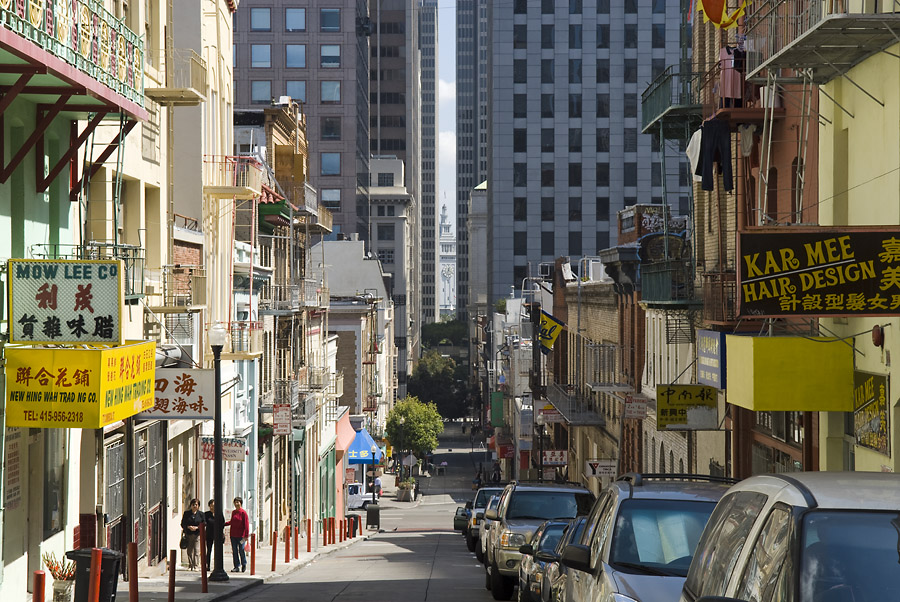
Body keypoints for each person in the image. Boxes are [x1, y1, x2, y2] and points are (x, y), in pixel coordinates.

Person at [225, 497, 250, 573]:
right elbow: (232, 522)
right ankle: (236, 566)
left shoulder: (243, 513)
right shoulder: (234, 512)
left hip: (241, 536)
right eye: (235, 502)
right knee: (235, 551)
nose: (236, 504)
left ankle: (244, 564)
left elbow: (246, 524)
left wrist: (246, 535)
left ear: (241, 503)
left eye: (238, 502)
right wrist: (224, 524)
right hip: (233, 535)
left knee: (241, 550)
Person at [180, 498, 203, 570]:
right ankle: (191, 565)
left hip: (197, 534)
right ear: (191, 505)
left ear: (198, 506)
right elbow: (183, 523)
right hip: (188, 534)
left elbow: (204, 523)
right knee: (189, 550)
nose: (195, 506)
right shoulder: (187, 514)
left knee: (197, 550)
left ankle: (196, 565)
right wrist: (188, 527)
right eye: (193, 504)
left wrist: (197, 527)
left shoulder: (201, 514)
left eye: (196, 504)